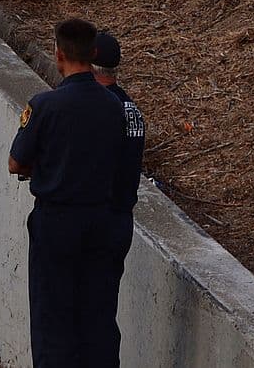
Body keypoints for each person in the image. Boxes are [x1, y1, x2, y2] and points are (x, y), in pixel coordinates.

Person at [7, 18, 125, 368]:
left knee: (53, 319)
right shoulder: (113, 106)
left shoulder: (45, 105)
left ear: (58, 54)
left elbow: (16, 162)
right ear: (93, 53)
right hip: (101, 220)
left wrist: (47, 167)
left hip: (57, 222)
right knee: (98, 317)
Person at [92, 31, 146, 359]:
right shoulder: (132, 110)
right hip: (121, 219)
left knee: (81, 315)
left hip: (95, 219)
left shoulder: (98, 109)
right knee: (104, 313)